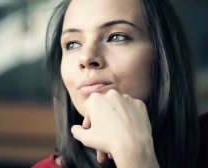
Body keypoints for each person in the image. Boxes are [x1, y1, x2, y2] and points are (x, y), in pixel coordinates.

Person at [33, 0, 198, 167]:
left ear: (163, 53)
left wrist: (134, 154)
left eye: (116, 37)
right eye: (72, 44)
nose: (86, 58)